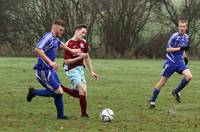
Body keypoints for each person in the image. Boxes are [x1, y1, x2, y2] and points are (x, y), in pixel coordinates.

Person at [26, 19, 81, 119]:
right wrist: (50, 62)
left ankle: (60, 117)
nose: (62, 32)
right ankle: (33, 92)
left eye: (63, 30)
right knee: (59, 91)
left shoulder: (55, 38)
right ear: (54, 27)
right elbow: (37, 49)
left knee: (58, 92)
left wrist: (71, 50)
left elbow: (60, 44)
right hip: (44, 71)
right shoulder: (48, 37)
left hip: (50, 70)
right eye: (60, 30)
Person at [149, 19, 192, 108]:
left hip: (180, 62)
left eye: (184, 26)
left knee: (189, 76)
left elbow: (183, 49)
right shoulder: (174, 36)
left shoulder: (186, 37)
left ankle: (176, 91)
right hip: (171, 62)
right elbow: (168, 49)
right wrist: (179, 49)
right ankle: (152, 102)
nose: (182, 28)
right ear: (178, 27)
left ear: (186, 27)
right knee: (162, 83)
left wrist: (184, 57)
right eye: (180, 26)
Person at [61, 24, 100, 118]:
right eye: (82, 32)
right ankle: (84, 114)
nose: (83, 35)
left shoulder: (84, 43)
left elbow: (87, 57)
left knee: (83, 93)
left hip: (80, 69)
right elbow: (66, 61)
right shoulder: (69, 44)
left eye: (84, 33)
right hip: (71, 69)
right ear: (77, 31)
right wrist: (79, 57)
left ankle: (61, 88)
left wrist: (92, 71)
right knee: (82, 90)